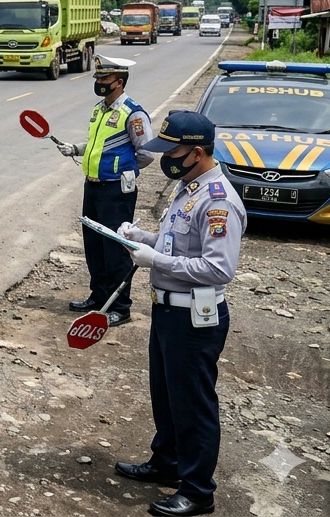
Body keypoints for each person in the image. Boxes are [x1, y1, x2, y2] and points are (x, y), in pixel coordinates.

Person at [114, 110, 245, 517]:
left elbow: (218, 268)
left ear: (198, 153)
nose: (166, 158)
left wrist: (155, 261)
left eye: (173, 151)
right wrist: (144, 238)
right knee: (166, 395)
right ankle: (167, 462)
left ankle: (198, 489)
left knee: (193, 404)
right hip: (168, 313)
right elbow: (177, 244)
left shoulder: (219, 201)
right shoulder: (189, 188)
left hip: (195, 318)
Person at [55, 56, 154, 325]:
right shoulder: (100, 109)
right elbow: (98, 144)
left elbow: (146, 153)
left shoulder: (133, 113)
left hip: (116, 191)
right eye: (97, 79)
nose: (99, 83)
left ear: (119, 82)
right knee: (94, 245)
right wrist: (75, 149)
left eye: (104, 79)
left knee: (115, 249)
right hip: (94, 186)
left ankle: (120, 307)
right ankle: (98, 297)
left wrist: (125, 171)